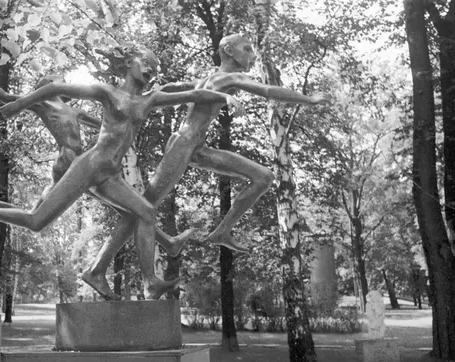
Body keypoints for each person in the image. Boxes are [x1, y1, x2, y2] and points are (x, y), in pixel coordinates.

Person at [0, 45, 242, 300]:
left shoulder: (150, 99)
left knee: (146, 212)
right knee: (36, 221)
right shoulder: (106, 92)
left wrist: (223, 96)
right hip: (89, 166)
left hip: (111, 175)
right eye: (145, 63)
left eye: (154, 68)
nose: (150, 70)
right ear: (129, 63)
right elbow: (54, 88)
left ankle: (147, 281)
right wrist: (19, 104)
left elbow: (193, 94)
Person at [84, 34, 330, 300]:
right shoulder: (229, 78)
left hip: (197, 148)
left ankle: (221, 231)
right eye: (247, 49)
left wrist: (149, 92)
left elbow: (173, 87)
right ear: (229, 51)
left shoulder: (211, 78)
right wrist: (309, 99)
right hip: (183, 146)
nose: (252, 55)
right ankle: (99, 270)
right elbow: (269, 91)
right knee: (142, 209)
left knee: (263, 177)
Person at [0, 55, 193, 257]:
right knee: (126, 209)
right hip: (70, 162)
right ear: (46, 85)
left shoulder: (75, 110)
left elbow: (108, 122)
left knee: (38, 216)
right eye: (57, 80)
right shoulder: (43, 104)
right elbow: (5, 96)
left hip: (80, 161)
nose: (61, 82)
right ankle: (167, 241)